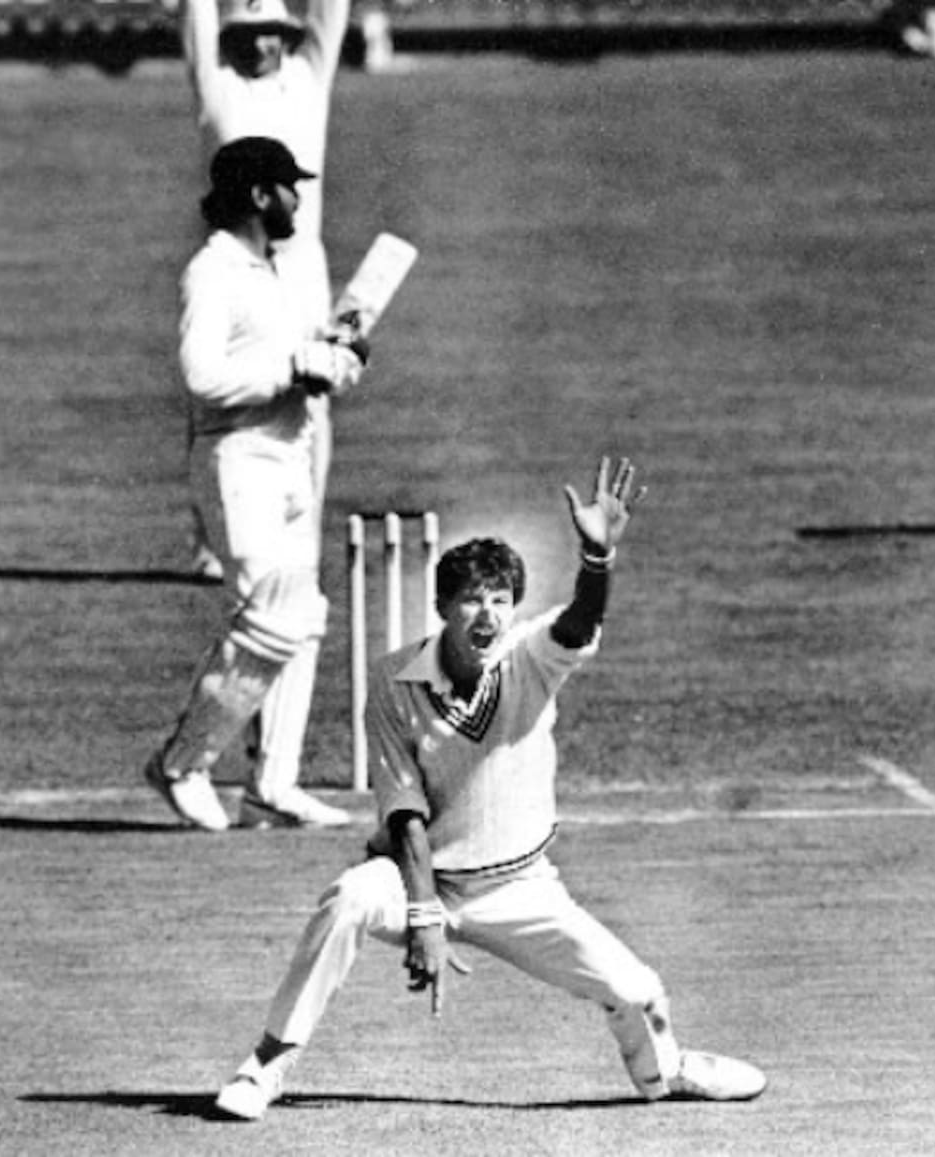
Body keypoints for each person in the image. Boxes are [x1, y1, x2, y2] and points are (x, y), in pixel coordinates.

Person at [212, 456, 767, 1120]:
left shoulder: (531, 659)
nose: (487, 613)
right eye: (472, 598)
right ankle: (267, 1062)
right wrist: (422, 918)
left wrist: (596, 559)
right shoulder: (393, 682)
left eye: (501, 599)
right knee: (350, 897)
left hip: (520, 888)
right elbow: (405, 817)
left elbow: (579, 624)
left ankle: (666, 1072)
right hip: (426, 881)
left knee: (638, 991)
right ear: (442, 605)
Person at [144, 137, 368, 832]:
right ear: (259, 195)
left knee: (303, 620)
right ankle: (183, 761)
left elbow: (304, 360)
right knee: (269, 619)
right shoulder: (212, 271)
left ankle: (275, 782)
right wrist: (291, 368)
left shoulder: (273, 270)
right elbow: (201, 376)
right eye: (288, 188)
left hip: (290, 456)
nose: (299, 200)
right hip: (238, 459)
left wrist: (340, 355)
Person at [180, 0, 351, 579]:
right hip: (236, 261)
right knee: (218, 393)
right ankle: (210, 538)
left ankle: (305, 528)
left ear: (286, 35)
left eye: (270, 33)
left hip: (301, 263)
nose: (259, 45)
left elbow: (332, 12)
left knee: (315, 392)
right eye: (248, 34)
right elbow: (197, 15)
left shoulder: (307, 78)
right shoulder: (216, 87)